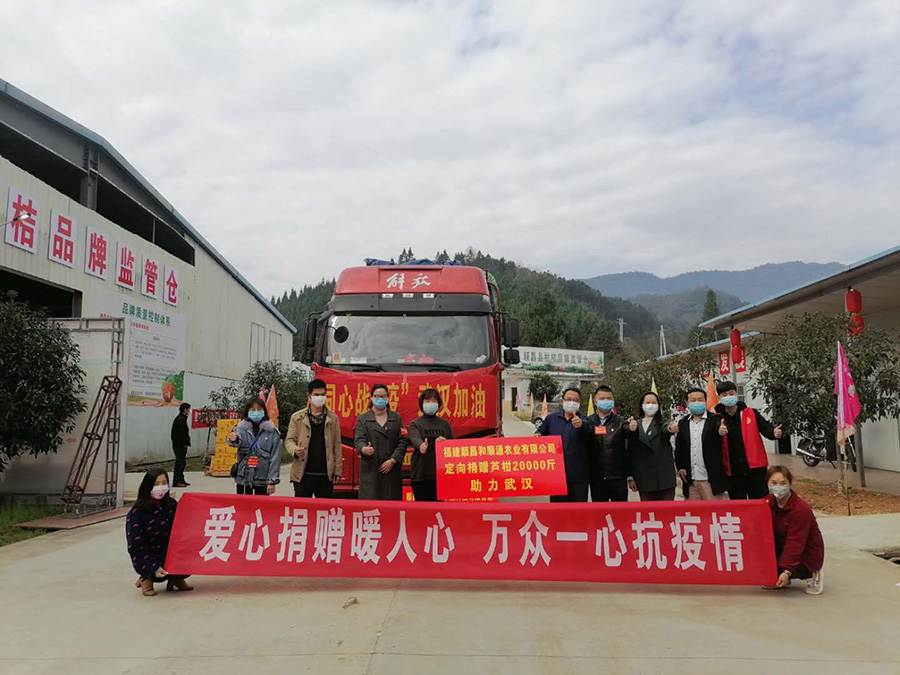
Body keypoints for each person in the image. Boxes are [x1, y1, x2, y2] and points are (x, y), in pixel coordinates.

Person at [125, 468, 193, 597]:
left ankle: (176, 578)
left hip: (170, 550)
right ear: (148, 486)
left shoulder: (171, 505)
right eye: (156, 484)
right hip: (152, 553)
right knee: (147, 562)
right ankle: (146, 578)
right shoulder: (137, 513)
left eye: (164, 483)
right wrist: (153, 567)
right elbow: (136, 546)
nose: (160, 487)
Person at [715, 381, 783, 499]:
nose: (728, 397)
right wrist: (717, 432)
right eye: (724, 395)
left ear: (736, 393)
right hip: (732, 471)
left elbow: (765, 428)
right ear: (719, 397)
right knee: (738, 505)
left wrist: (773, 432)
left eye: (731, 393)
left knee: (760, 502)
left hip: (755, 468)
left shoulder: (751, 413)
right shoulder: (715, 417)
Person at [765, 466, 825, 594]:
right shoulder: (766, 503)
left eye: (783, 483)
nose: (778, 487)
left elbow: (796, 542)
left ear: (790, 484)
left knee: (785, 569)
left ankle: (812, 572)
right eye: (773, 483)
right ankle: (782, 574)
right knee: (764, 570)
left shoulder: (801, 509)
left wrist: (787, 571)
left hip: (805, 552)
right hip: (781, 547)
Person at [535, 387, 595, 502]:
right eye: (568, 399)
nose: (572, 402)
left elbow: (590, 430)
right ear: (562, 401)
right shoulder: (551, 419)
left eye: (575, 400)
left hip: (579, 476)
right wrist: (537, 435)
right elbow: (541, 431)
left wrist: (581, 424)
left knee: (578, 509)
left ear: (579, 403)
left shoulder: (586, 420)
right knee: (558, 509)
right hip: (557, 475)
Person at [285, 379, 342, 498]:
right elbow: (289, 440)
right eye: (316, 395)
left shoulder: (333, 418)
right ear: (309, 395)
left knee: (324, 507)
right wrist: (295, 450)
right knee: (302, 507)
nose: (320, 398)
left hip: (325, 474)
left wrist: (337, 470)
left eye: (323, 394)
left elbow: (337, 445)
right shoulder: (297, 417)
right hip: (303, 474)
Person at [354, 384, 408, 500]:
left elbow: (403, 441)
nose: (380, 399)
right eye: (377, 396)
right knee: (370, 506)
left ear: (387, 398)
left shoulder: (396, 418)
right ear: (371, 398)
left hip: (391, 471)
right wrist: (364, 449)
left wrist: (393, 460)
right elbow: (359, 440)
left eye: (383, 396)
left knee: (391, 506)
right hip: (371, 470)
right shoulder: (362, 419)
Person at [674, 388, 730, 500]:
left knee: (714, 510)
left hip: (710, 480)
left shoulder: (714, 419)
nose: (697, 402)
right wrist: (680, 467)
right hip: (690, 480)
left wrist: (721, 430)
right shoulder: (683, 423)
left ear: (705, 401)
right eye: (693, 400)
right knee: (692, 511)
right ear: (687, 402)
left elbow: (718, 427)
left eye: (700, 400)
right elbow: (679, 447)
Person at [227, 396, 282, 495]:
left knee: (261, 505)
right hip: (244, 477)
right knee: (243, 504)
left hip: (262, 479)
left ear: (264, 411)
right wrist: (234, 439)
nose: (256, 412)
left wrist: (272, 481)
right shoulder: (240, 428)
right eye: (253, 410)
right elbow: (233, 442)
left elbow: (275, 458)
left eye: (259, 409)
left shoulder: (272, 431)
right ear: (247, 411)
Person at [628, 392, 676, 501]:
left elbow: (666, 430)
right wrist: (630, 476)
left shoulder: (663, 422)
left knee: (666, 510)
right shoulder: (634, 425)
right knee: (648, 511)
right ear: (642, 405)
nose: (650, 405)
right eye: (647, 402)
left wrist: (670, 429)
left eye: (654, 403)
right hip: (644, 479)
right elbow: (630, 451)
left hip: (664, 480)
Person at [587, 385, 631, 502]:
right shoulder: (588, 421)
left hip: (618, 477)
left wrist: (632, 429)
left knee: (620, 511)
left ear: (613, 401)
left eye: (609, 398)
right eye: (602, 398)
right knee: (600, 511)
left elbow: (630, 435)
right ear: (595, 401)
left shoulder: (621, 421)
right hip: (596, 477)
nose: (606, 401)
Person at [407, 388, 453, 502]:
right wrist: (421, 445)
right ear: (421, 404)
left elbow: (452, 447)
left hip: (440, 475)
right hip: (420, 474)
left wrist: (445, 443)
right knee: (422, 509)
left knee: (439, 508)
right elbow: (414, 438)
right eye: (427, 401)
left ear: (438, 404)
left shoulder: (445, 424)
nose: (430, 404)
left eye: (434, 401)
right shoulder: (415, 424)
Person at [170, 402, 191, 487]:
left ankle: (181, 479)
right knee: (179, 463)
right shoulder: (180, 420)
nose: (189, 411)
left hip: (182, 445)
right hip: (179, 446)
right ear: (185, 410)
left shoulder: (182, 419)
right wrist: (183, 443)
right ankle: (176, 481)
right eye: (188, 409)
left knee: (182, 463)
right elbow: (179, 434)